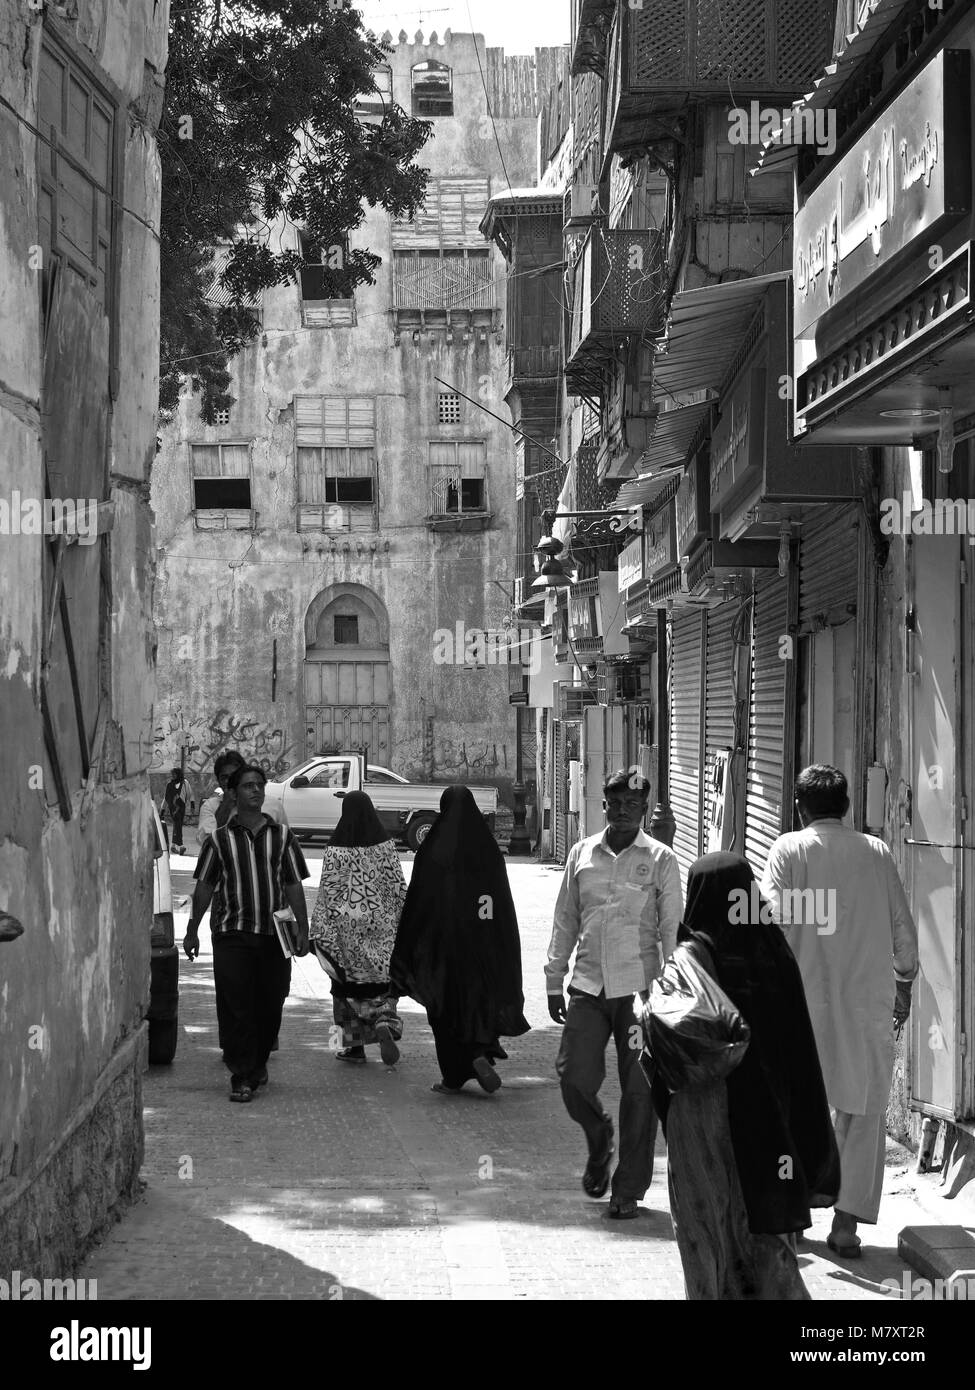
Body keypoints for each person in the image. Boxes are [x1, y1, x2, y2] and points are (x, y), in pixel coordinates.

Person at [647, 852, 840, 1300]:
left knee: (705, 1227)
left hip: (705, 1117)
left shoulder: (690, 959)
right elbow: (798, 1047)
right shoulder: (774, 952)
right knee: (763, 1232)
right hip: (768, 1117)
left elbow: (664, 1044)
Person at [760, 765, 918, 1258]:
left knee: (794, 1109)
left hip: (804, 1005)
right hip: (868, 1004)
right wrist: (905, 980)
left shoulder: (789, 849)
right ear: (846, 806)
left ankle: (792, 1217)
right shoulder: (877, 852)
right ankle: (846, 1224)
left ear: (800, 807)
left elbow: (773, 923)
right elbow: (903, 933)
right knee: (864, 1111)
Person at [546, 769, 682, 1219]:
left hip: (639, 994)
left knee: (639, 1093)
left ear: (644, 809)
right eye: (615, 803)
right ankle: (598, 1138)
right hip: (588, 987)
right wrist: (553, 976)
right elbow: (565, 918)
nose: (623, 811)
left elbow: (670, 929)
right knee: (572, 1078)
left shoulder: (660, 859)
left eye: (632, 804)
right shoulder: (582, 854)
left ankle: (628, 1188)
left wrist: (672, 989)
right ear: (603, 805)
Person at [183, 764, 310, 1103]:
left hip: (274, 935)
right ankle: (242, 1074)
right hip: (232, 934)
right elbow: (205, 887)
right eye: (248, 786)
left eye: (259, 785)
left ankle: (257, 1061)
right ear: (234, 793)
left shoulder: (282, 837)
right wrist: (193, 929)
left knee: (271, 1002)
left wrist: (304, 929)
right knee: (237, 1004)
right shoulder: (220, 840)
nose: (256, 791)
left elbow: (293, 884)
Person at [390, 786, 529, 1093]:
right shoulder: (488, 850)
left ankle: (453, 1076)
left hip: (441, 947)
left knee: (444, 1006)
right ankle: (479, 1052)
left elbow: (419, 902)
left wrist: (410, 944)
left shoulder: (432, 850)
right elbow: (498, 903)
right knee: (480, 1000)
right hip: (482, 943)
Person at [309, 791, 407, 1067]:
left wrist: (318, 929)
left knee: (343, 989)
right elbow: (398, 886)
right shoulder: (386, 847)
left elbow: (327, 891)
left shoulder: (334, 848)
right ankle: (386, 1022)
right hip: (383, 930)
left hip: (345, 932)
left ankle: (352, 1049)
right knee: (383, 985)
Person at [161, 767, 190, 854]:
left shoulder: (184, 783)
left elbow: (189, 794)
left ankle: (173, 846)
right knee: (178, 825)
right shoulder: (169, 785)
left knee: (178, 825)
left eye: (174, 774)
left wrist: (191, 805)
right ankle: (181, 846)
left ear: (178, 774)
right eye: (172, 774)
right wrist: (162, 810)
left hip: (182, 808)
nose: (172, 776)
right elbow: (166, 798)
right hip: (173, 809)